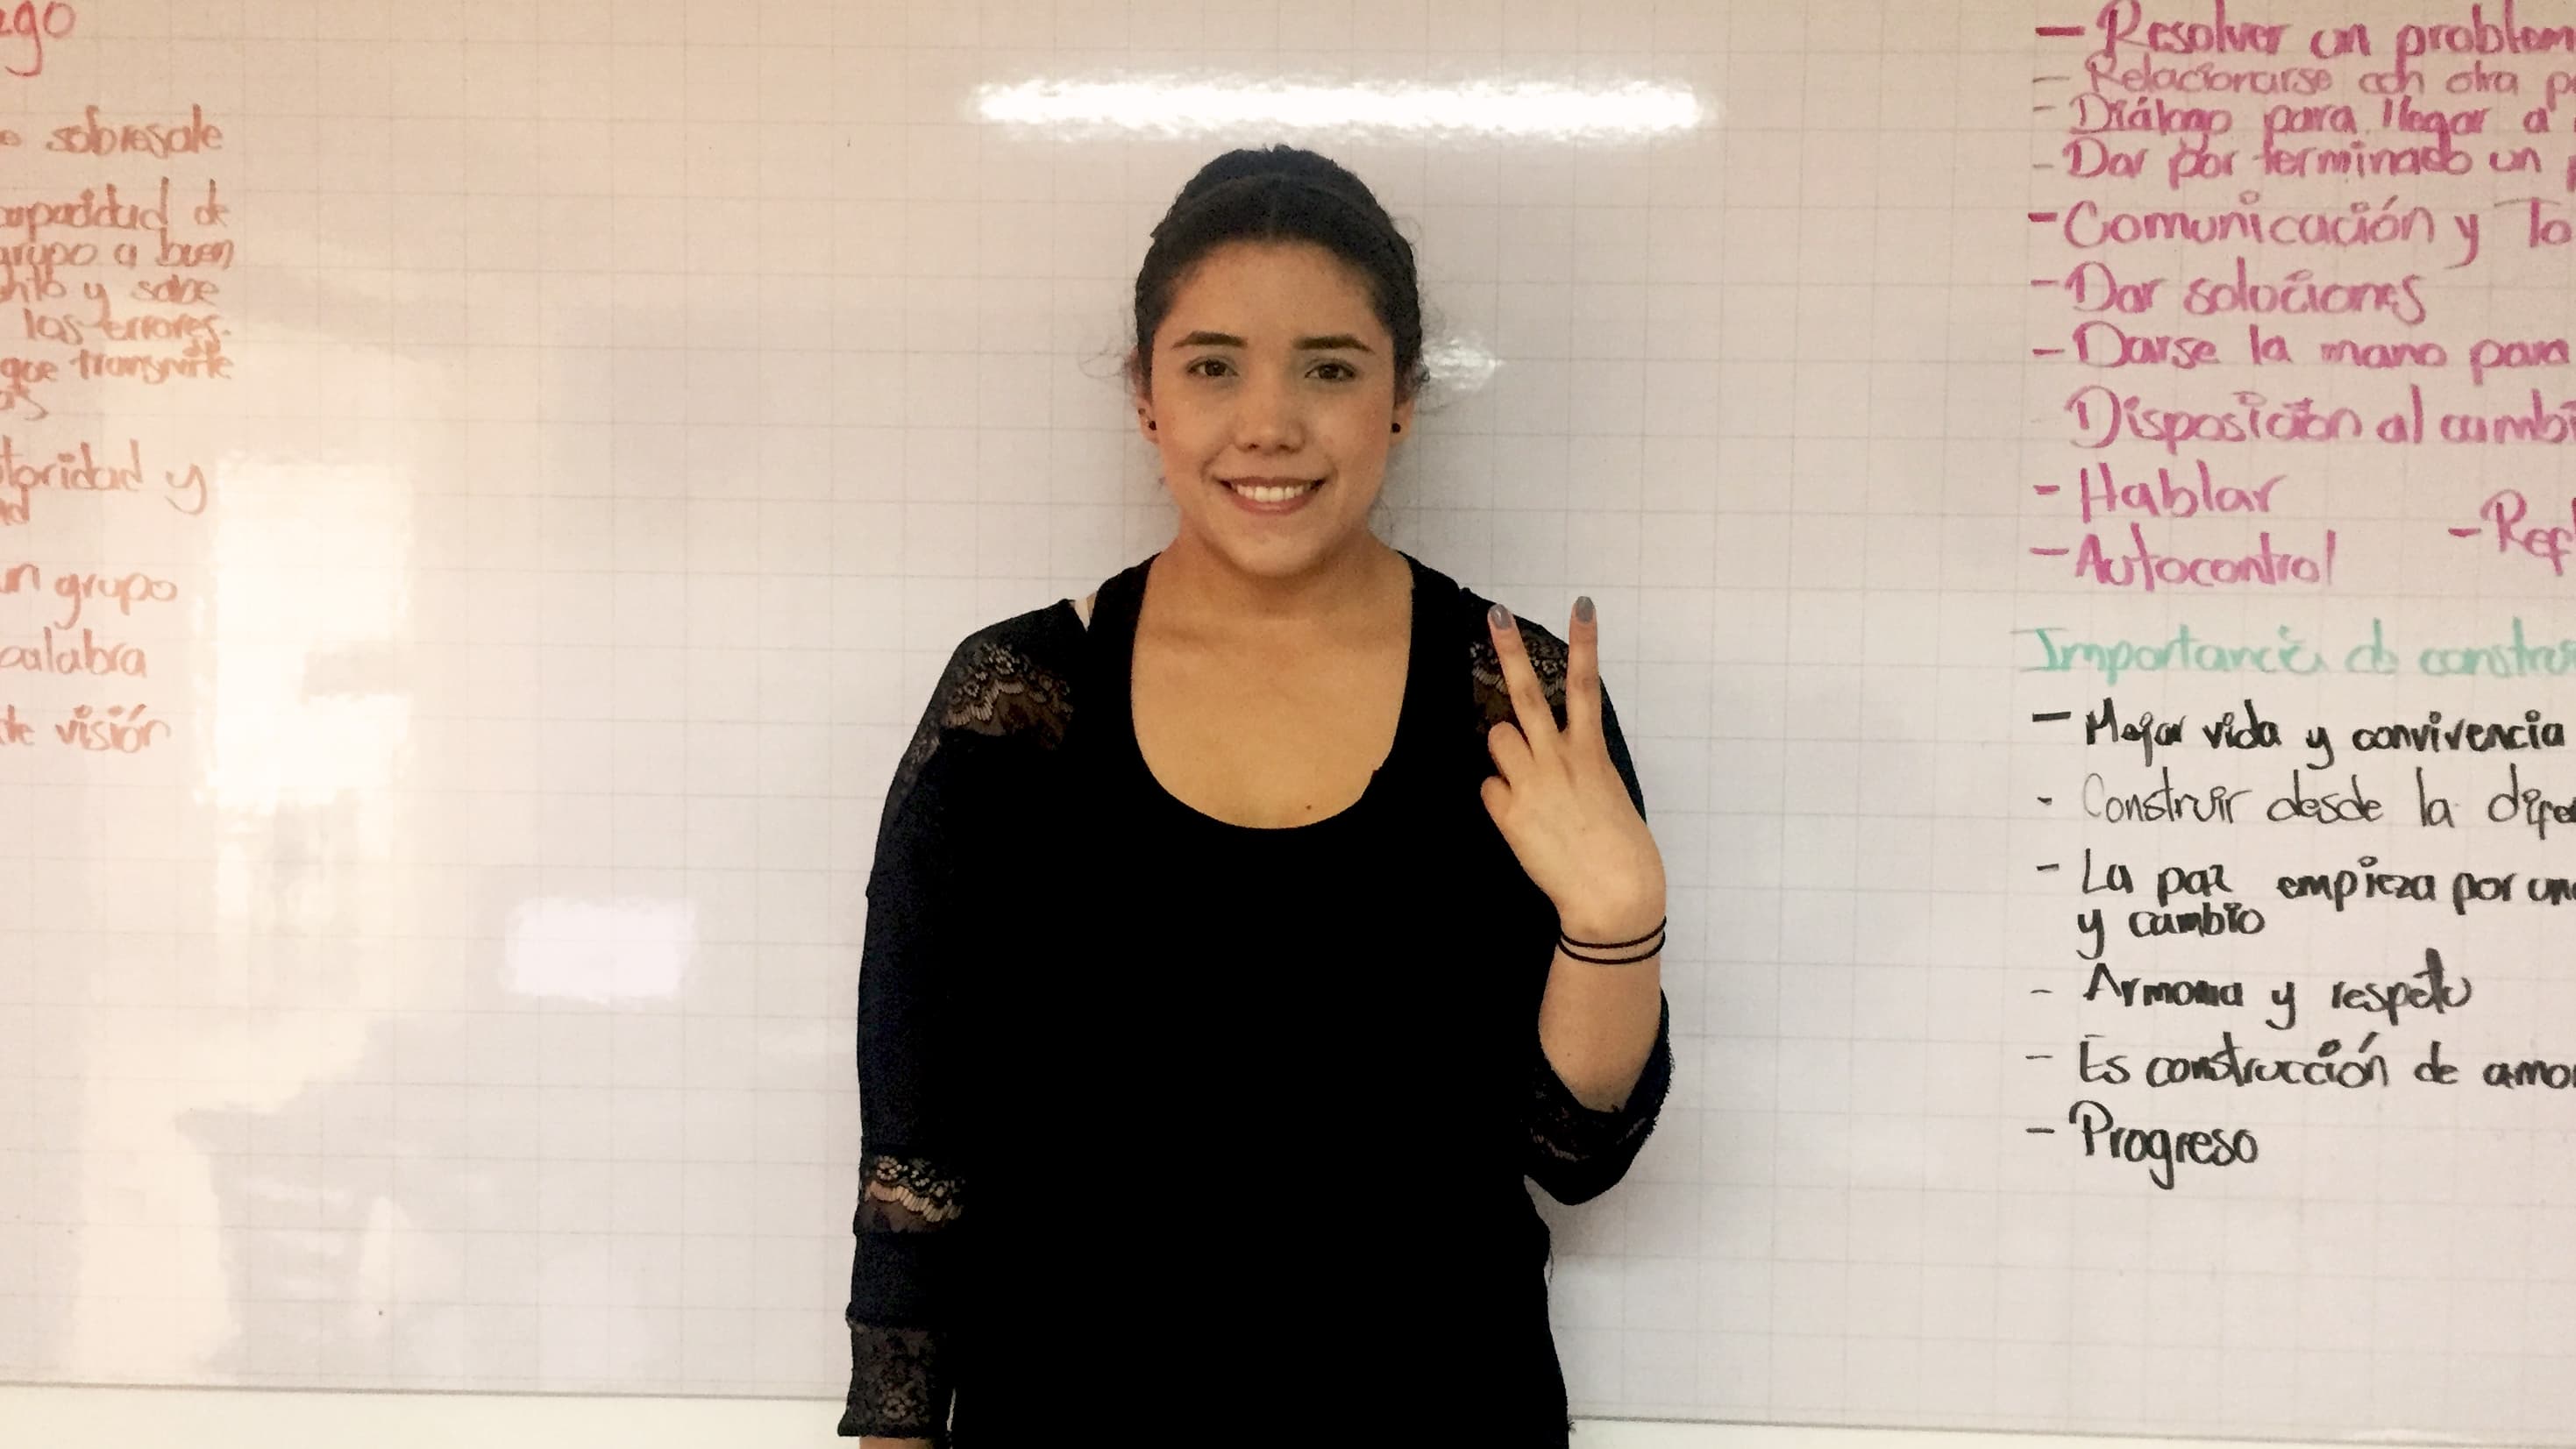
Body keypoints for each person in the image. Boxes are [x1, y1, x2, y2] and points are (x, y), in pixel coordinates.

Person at [840, 144, 1674, 1447]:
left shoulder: (1516, 697)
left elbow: (1573, 1155)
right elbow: (920, 1130)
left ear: (1400, 397)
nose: (1269, 422)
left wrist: (1615, 917)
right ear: (1145, 397)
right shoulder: (1017, 700)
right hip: (1068, 1412)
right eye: (1212, 364)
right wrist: (894, 1426)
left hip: (1438, 1410)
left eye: (1329, 368)